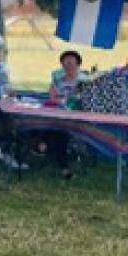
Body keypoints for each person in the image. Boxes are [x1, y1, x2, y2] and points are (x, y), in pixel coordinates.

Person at [36, 50, 87, 180]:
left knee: (58, 132)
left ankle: (43, 145)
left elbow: (81, 100)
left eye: (71, 61)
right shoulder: (58, 80)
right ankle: (62, 167)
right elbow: (52, 97)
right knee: (40, 123)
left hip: (75, 118)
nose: (68, 64)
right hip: (56, 115)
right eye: (65, 62)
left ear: (78, 64)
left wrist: (64, 101)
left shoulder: (84, 82)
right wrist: (62, 101)